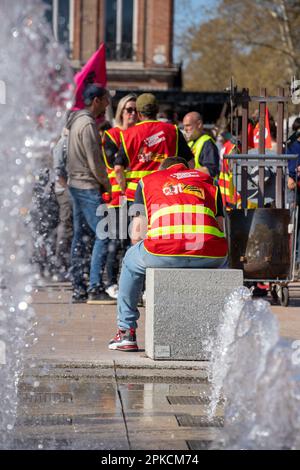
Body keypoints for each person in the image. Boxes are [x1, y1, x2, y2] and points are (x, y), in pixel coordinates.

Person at [108, 157, 228, 351]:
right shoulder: (207, 180)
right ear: (187, 168)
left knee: (130, 259)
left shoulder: (148, 181)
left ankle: (126, 332)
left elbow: (137, 234)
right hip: (210, 254)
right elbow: (221, 226)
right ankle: (226, 333)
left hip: (163, 251)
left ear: (163, 169)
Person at [67, 83, 114, 304]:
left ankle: (79, 287)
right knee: (104, 234)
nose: (107, 105)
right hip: (86, 185)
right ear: (96, 100)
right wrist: (106, 184)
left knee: (80, 237)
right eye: (106, 100)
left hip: (75, 184)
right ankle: (95, 286)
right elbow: (95, 162)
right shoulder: (87, 125)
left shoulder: (76, 121)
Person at [114, 93, 194, 203]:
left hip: (136, 194)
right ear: (157, 111)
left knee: (138, 221)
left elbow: (118, 169)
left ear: (138, 114)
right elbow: (190, 164)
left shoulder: (127, 134)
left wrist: (124, 188)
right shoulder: (173, 131)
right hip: (165, 192)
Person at [102, 94, 138, 299]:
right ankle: (110, 282)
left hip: (138, 198)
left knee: (134, 243)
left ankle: (129, 283)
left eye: (135, 110)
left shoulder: (141, 133)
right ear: (121, 112)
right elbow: (115, 163)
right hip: (117, 197)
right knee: (115, 241)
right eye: (128, 109)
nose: (132, 113)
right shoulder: (112, 134)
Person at [183, 112, 220, 178]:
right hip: (194, 185)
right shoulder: (190, 143)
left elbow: (211, 170)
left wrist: (185, 173)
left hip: (205, 186)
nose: (185, 129)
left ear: (199, 124)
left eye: (188, 125)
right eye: (184, 126)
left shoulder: (207, 143)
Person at [287, 117, 300, 271]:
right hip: (294, 189)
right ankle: (293, 262)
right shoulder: (291, 146)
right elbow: (289, 167)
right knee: (293, 225)